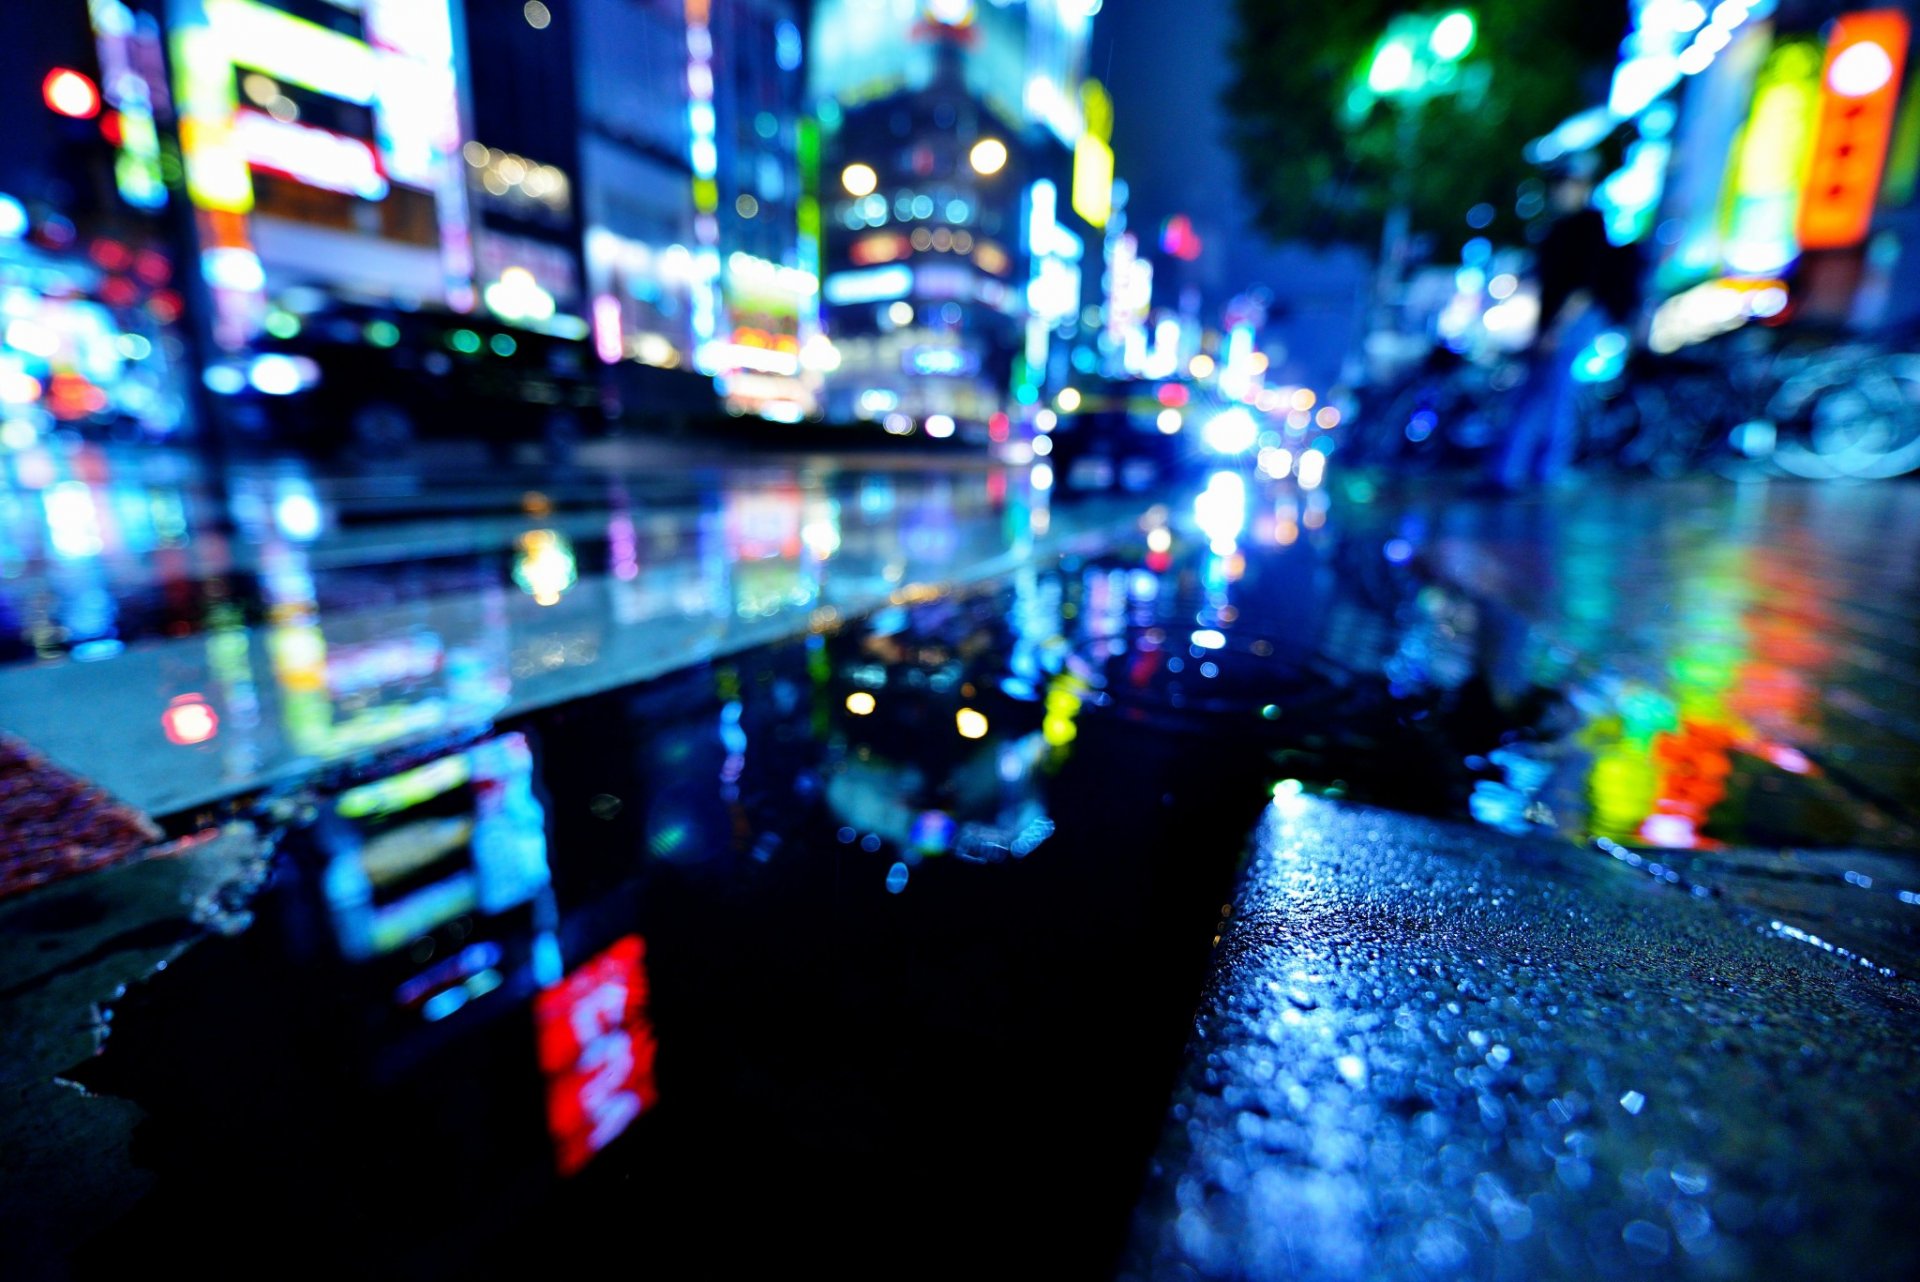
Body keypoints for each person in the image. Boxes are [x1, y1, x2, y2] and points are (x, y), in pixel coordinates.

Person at [1495, 158, 1638, 490]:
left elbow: (1583, 287)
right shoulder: (1555, 228)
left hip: (1573, 322)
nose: (1560, 192)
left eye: (1568, 185)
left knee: (1554, 395)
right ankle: (1511, 470)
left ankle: (1543, 470)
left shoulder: (1589, 224)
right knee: (1538, 393)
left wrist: (1557, 329)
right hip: (1552, 323)